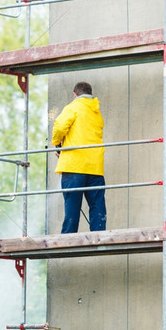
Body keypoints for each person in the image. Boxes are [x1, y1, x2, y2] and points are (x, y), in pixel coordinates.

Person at [51, 81, 107, 234]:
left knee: (72, 204)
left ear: (74, 94)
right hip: (95, 166)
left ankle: (68, 236)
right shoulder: (96, 111)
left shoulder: (73, 107)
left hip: (74, 164)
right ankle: (99, 234)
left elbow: (60, 126)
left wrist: (57, 144)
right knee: (97, 203)